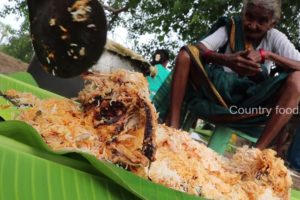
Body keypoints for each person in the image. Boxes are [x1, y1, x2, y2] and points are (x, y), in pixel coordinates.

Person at [153, 0, 300, 150]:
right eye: (249, 17)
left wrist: (267, 55)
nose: (253, 25)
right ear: (243, 14)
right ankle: (173, 128)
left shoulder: (275, 37)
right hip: (216, 93)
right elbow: (198, 48)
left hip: (251, 102)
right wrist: (227, 60)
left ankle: (256, 152)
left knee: (297, 79)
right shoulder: (232, 27)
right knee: (186, 54)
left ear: (272, 24)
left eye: (262, 21)